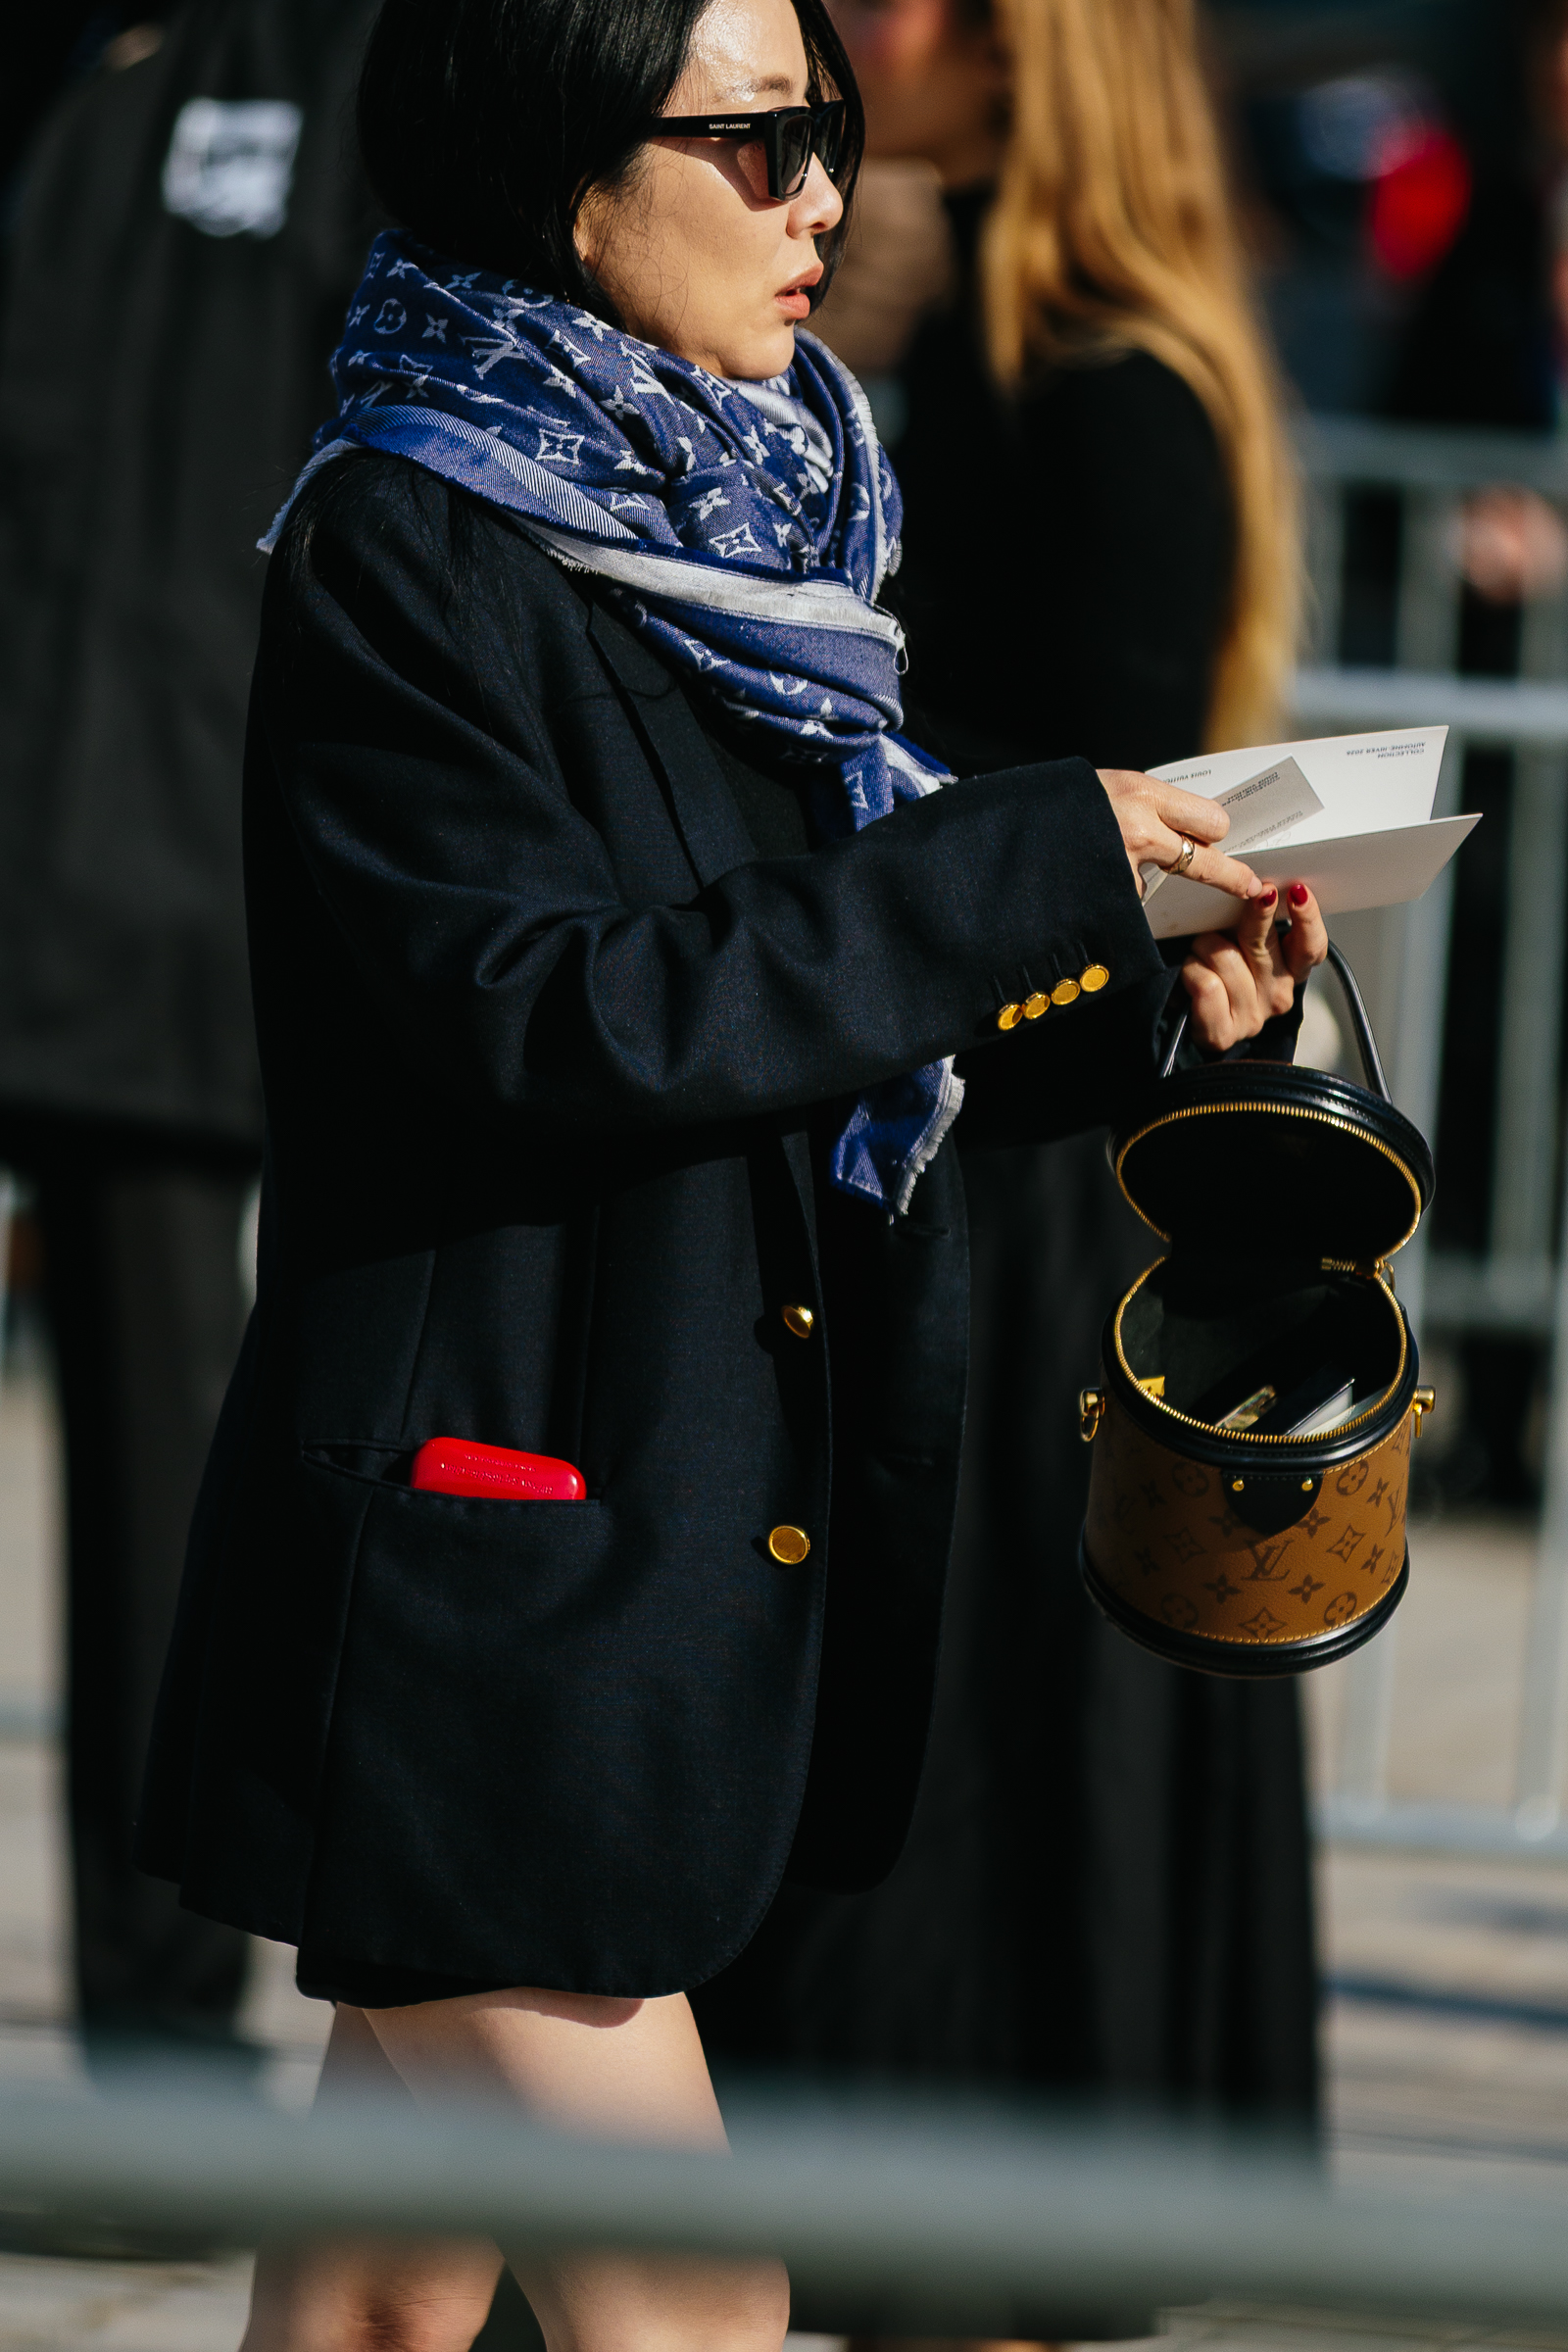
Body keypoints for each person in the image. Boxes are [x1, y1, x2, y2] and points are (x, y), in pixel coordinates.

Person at [133, 0, 1327, 2340]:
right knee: (695, 2302)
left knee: (375, 2305)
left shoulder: (753, 520)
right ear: (558, 160)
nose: (817, 198)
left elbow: (788, 1018)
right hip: (486, 1563)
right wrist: (1008, 869)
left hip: (647, 1542)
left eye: (832, 132)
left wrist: (1117, 1000)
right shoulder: (412, 529)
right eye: (758, 137)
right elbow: (559, 1010)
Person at [694, 0, 1322, 2149]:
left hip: (1045, 1169)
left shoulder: (1098, 377)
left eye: (930, 3)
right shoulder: (980, 334)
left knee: (990, 1872)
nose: (871, 29)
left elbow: (1115, 820)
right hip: (986, 1124)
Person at [0, 0, 374, 2069]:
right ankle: (160, 2038)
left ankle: (196, 2028)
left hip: (213, 899)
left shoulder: (355, 82)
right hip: (98, 886)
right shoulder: (79, 77)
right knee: (161, 1487)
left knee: (219, 1484)